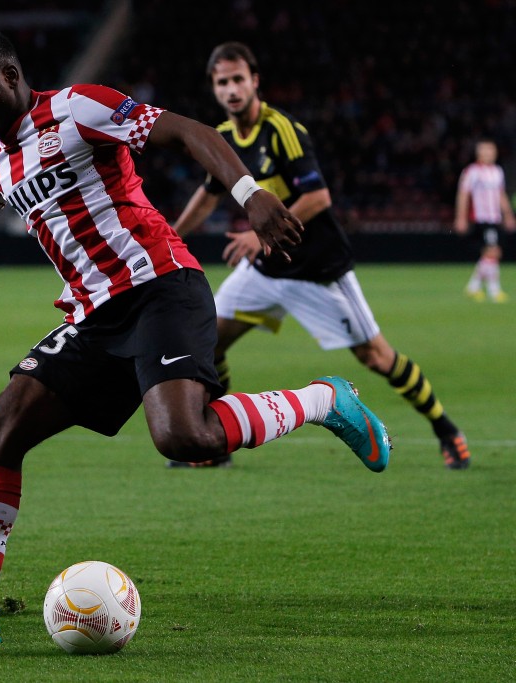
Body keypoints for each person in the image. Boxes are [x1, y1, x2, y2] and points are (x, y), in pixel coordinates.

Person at [0, 27, 391, 646]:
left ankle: (326, 400)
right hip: (93, 317)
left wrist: (250, 195)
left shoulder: (76, 107)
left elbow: (191, 132)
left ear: (10, 76)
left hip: (159, 288)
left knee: (184, 435)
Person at [171, 42, 470, 471]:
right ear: (214, 89)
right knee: (210, 340)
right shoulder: (222, 138)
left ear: (255, 81)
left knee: (377, 358)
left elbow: (317, 196)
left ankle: (446, 428)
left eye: (238, 79)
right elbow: (208, 193)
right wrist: (170, 236)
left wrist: (261, 235)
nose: (232, 89)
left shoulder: (282, 130)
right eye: (223, 82)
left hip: (317, 271)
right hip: (265, 270)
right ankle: (218, 445)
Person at [454, 138, 516, 303]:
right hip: (480, 217)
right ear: (478, 152)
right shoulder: (472, 171)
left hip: (494, 217)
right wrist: (460, 217)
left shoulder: (497, 171)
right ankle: (494, 290)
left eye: (491, 150)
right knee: (493, 251)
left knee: (490, 254)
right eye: (485, 150)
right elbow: (463, 194)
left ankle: (473, 287)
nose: (489, 153)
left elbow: (501, 195)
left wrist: (508, 215)